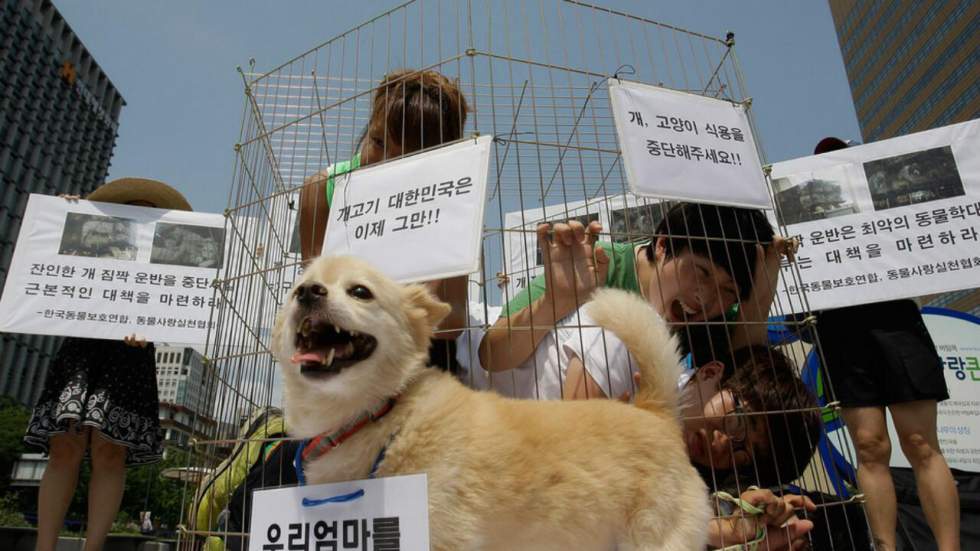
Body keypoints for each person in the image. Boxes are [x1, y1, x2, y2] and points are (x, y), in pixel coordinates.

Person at [807, 138, 960, 551]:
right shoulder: (806, 214)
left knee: (921, 443)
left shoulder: (888, 200)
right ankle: (884, 547)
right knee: (869, 446)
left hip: (896, 323)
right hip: (839, 328)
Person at [23, 178, 189, 551]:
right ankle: (43, 547)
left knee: (110, 450)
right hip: (81, 347)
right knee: (64, 444)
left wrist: (152, 326)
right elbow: (44, 261)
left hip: (130, 354)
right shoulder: (88, 236)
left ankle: (93, 547)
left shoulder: (171, 251)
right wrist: (66, 214)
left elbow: (175, 302)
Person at [297, 68, 470, 371]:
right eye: (378, 142)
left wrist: (423, 297)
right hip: (341, 350)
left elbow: (454, 319)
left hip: (420, 356)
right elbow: (312, 299)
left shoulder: (452, 199)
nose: (386, 162)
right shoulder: (321, 190)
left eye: (407, 156)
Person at [479, 202, 774, 374]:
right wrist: (554, 304)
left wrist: (757, 305)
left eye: (728, 290)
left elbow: (742, 383)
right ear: (662, 245)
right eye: (702, 272)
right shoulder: (595, 268)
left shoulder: (711, 319)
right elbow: (491, 357)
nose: (707, 297)